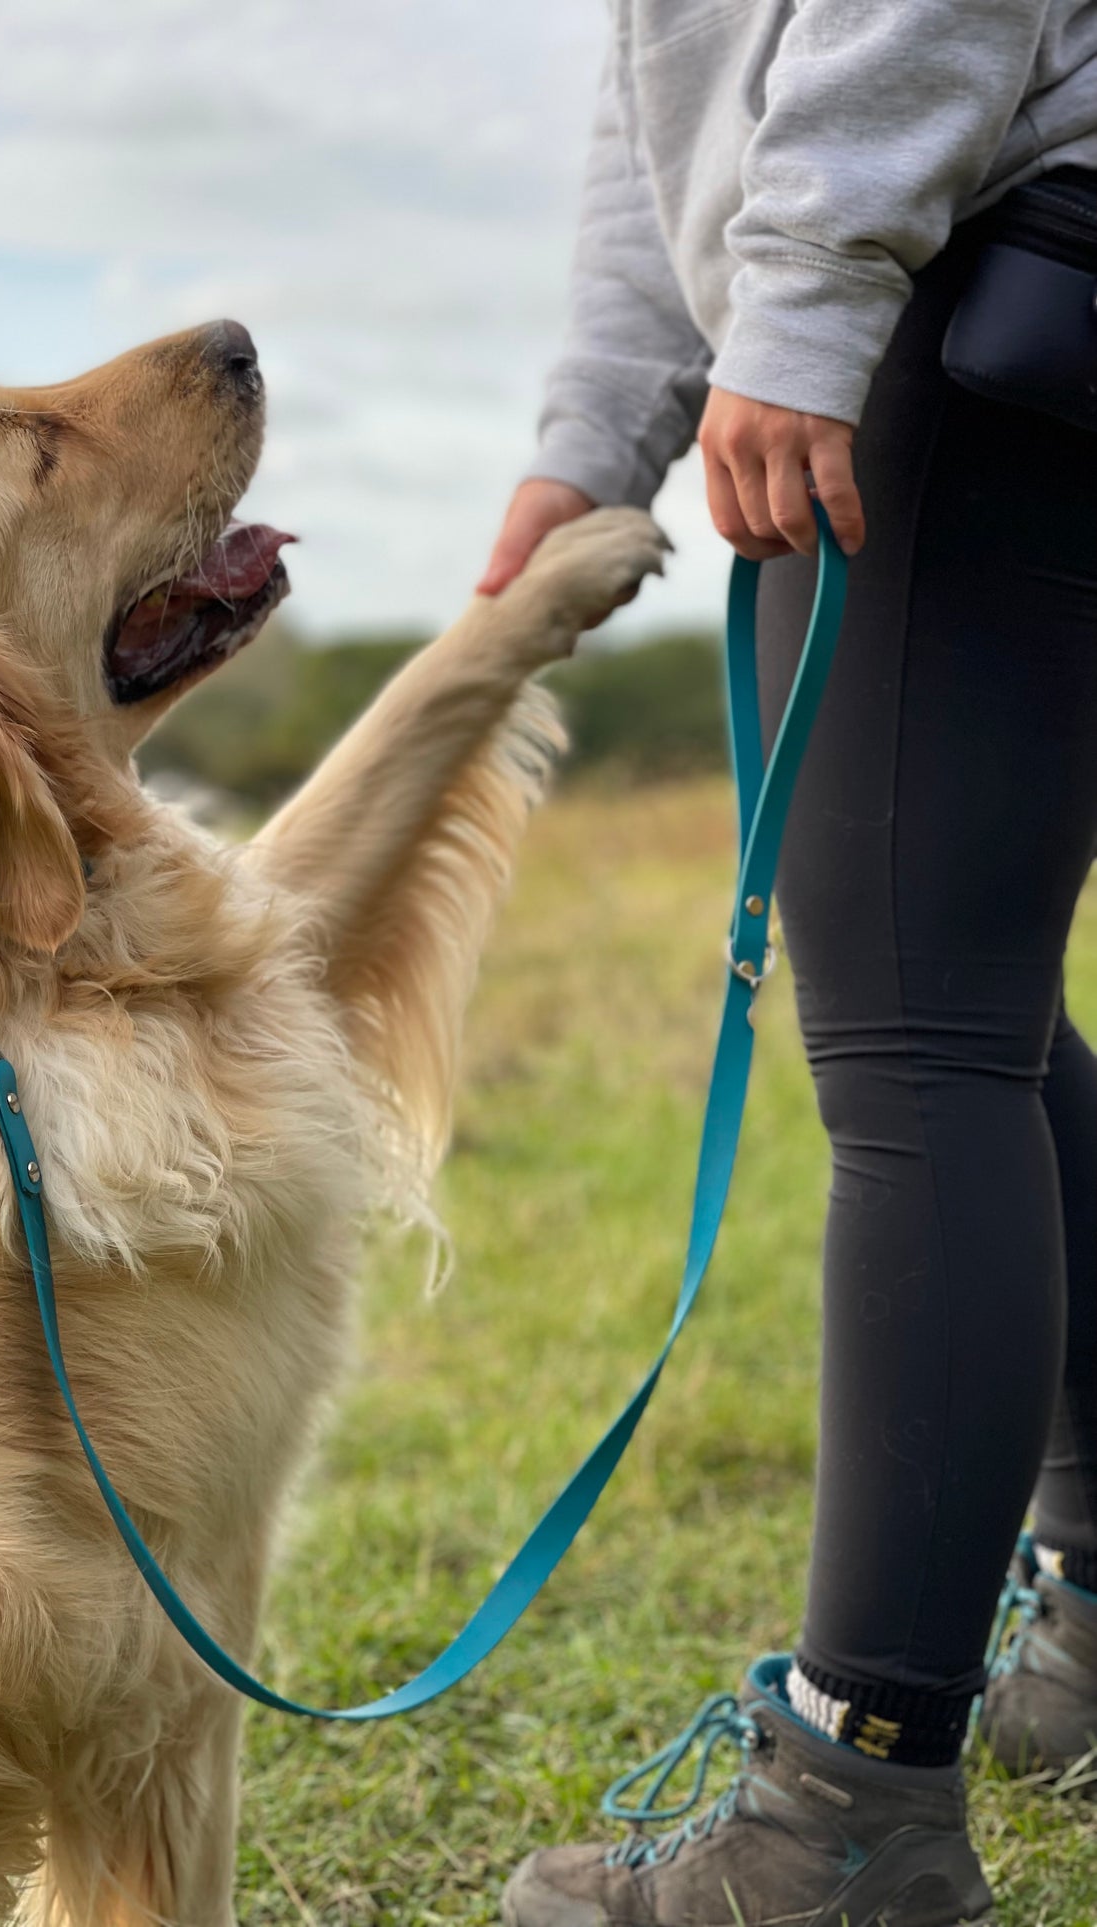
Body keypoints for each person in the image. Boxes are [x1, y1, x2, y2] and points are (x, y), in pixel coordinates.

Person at [484, 7, 1097, 1924]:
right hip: (981, 270)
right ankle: (1088, 1626)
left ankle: (848, 1823)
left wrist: (810, 300)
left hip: (969, 271)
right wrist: (596, 436)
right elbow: (668, 75)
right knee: (971, 1014)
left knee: (920, 1035)